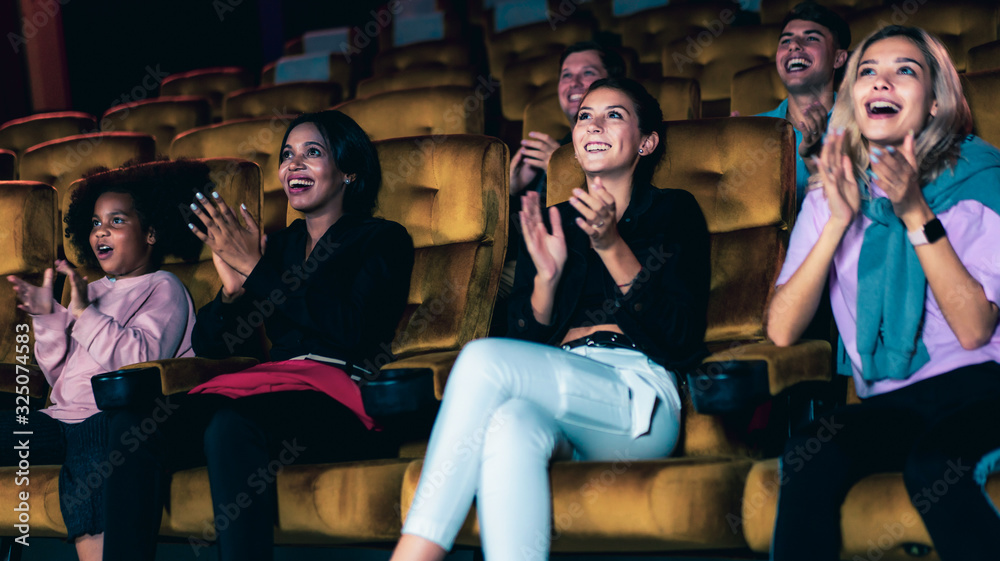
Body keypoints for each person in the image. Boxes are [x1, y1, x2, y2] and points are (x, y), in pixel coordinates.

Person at [390, 77, 710, 561]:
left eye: (614, 115)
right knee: (509, 425)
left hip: (639, 401)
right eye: (585, 116)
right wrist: (546, 280)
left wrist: (610, 246)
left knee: (479, 360)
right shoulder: (552, 221)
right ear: (575, 145)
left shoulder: (675, 212)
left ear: (647, 143)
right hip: (559, 393)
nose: (594, 124)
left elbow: (680, 340)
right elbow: (518, 338)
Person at [102, 110, 415, 561]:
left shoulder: (381, 238)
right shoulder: (280, 246)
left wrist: (257, 270)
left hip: (338, 394)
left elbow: (351, 330)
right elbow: (213, 346)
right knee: (131, 423)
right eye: (288, 155)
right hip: (270, 386)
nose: (294, 165)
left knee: (232, 424)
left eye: (312, 153)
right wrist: (232, 293)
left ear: (349, 170)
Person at [767, 26, 1000, 560]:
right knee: (810, 447)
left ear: (937, 99)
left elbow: (974, 329)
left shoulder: (981, 177)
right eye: (867, 71)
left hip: (985, 385)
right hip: (894, 399)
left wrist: (915, 210)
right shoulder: (833, 191)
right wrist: (836, 223)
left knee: (934, 464)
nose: (881, 82)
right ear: (852, 94)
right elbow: (781, 329)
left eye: (905, 71)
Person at [2, 161, 202, 561]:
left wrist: (82, 314)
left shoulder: (164, 287)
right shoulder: (89, 290)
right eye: (95, 222)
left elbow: (141, 360)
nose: (101, 231)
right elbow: (60, 374)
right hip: (59, 418)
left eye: (117, 220)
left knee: (95, 460)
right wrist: (47, 317)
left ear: (150, 232)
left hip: (109, 418)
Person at [753, 2, 850, 208]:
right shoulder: (753, 129)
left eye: (811, 38)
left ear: (838, 58)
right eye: (785, 41)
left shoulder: (863, 126)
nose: (794, 46)